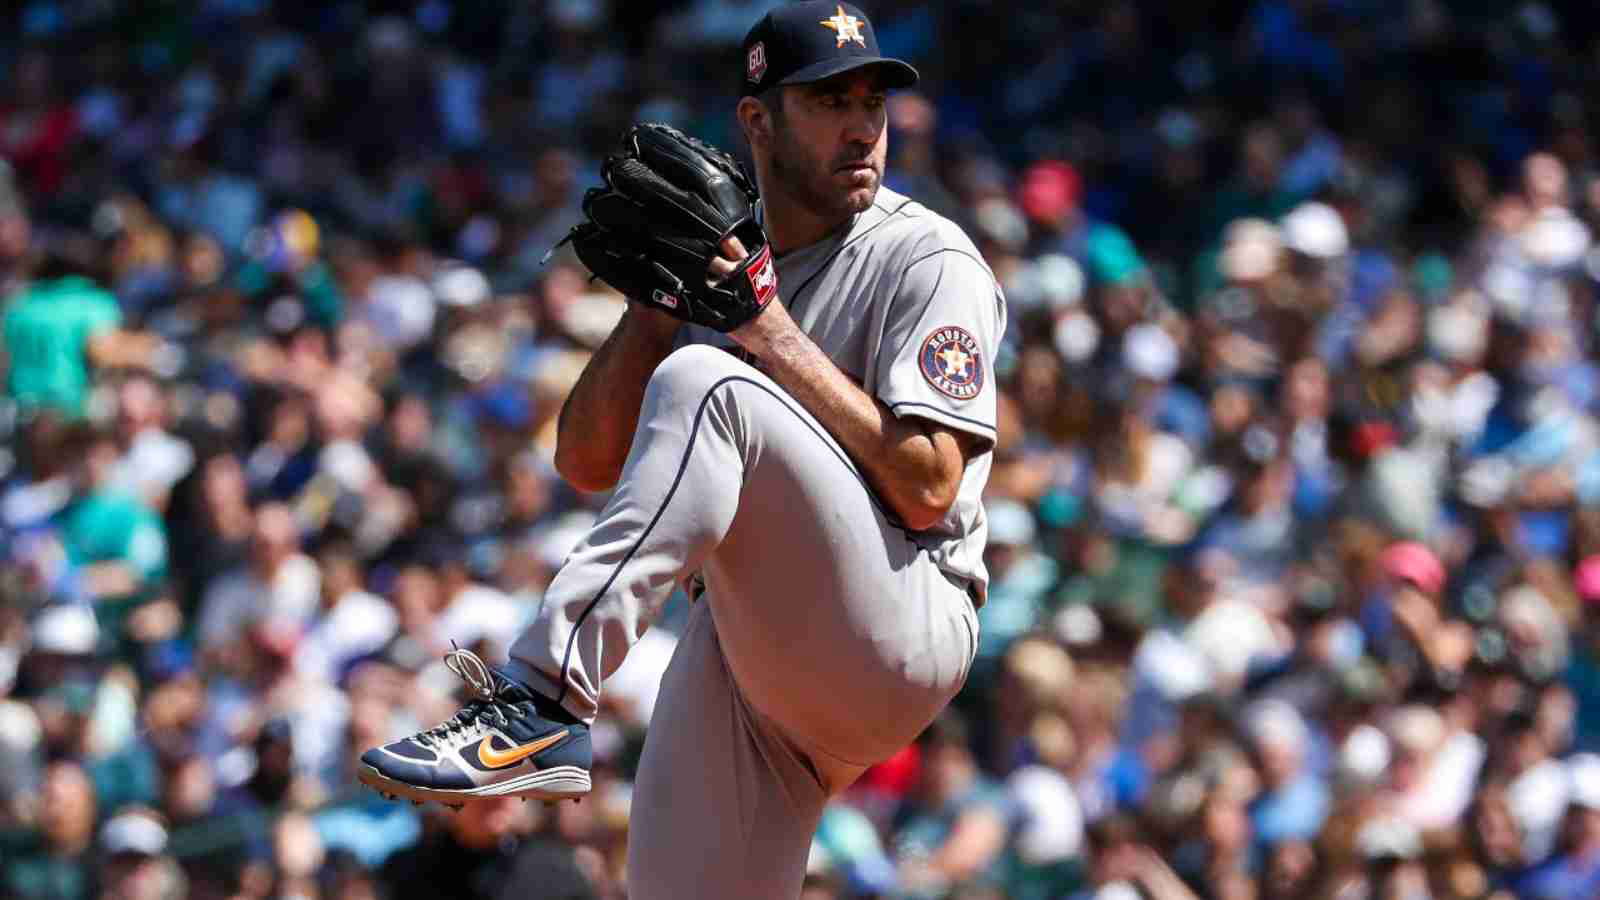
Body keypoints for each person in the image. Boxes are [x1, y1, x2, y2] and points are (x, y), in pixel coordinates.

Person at [358, 2, 1002, 897]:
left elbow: (932, 484)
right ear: (756, 120)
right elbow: (583, 463)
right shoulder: (721, 263)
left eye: (873, 103)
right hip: (756, 658)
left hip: (900, 616)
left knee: (712, 382)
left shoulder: (927, 259)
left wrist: (764, 330)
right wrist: (651, 314)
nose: (862, 128)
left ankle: (541, 700)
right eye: (828, 101)